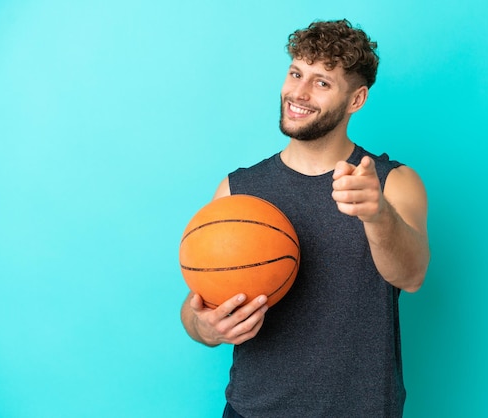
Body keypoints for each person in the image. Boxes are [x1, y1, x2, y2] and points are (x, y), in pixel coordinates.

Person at [180, 19, 430, 417]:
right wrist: (205, 329)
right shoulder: (237, 190)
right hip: (253, 411)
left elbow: (412, 276)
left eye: (322, 82)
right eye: (296, 73)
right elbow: (197, 306)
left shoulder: (392, 183)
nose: (298, 92)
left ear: (356, 99)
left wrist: (377, 214)